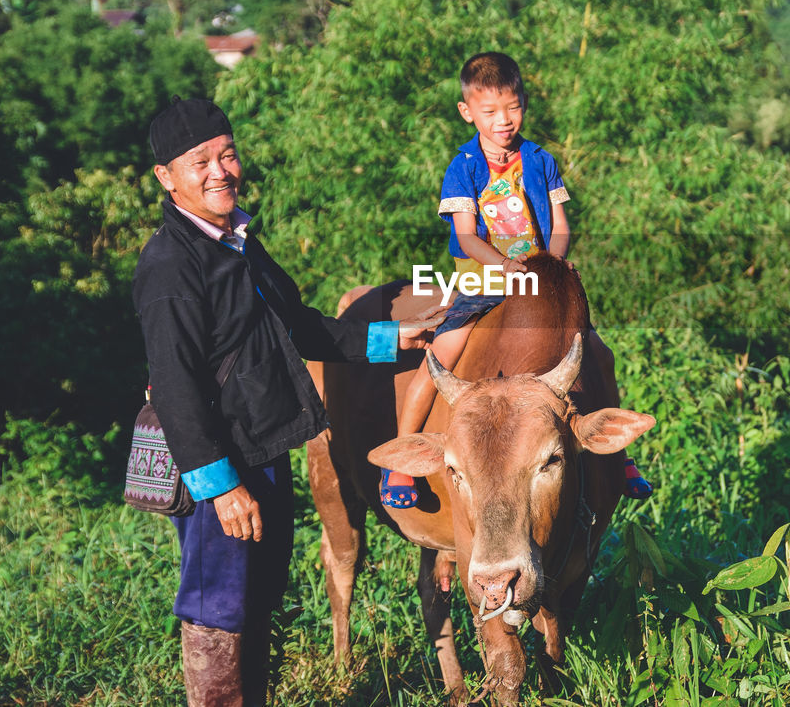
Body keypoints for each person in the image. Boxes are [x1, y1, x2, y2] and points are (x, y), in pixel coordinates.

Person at [132, 96, 443, 706]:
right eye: (200, 162)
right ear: (166, 179)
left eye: (227, 154)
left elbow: (300, 326)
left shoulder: (239, 243)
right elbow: (175, 384)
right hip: (220, 462)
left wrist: (389, 336)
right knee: (217, 606)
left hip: (265, 444)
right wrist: (221, 486)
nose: (220, 171)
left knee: (256, 596)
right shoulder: (171, 263)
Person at [379, 51, 652, 509]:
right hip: (483, 279)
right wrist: (502, 266)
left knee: (598, 353)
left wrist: (554, 262)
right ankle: (402, 459)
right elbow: (466, 238)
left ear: (523, 102)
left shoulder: (540, 160)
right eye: (489, 112)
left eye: (513, 107)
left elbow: (560, 225)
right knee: (440, 356)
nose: (503, 120)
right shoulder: (463, 167)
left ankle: (620, 456)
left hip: (540, 284)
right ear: (468, 112)